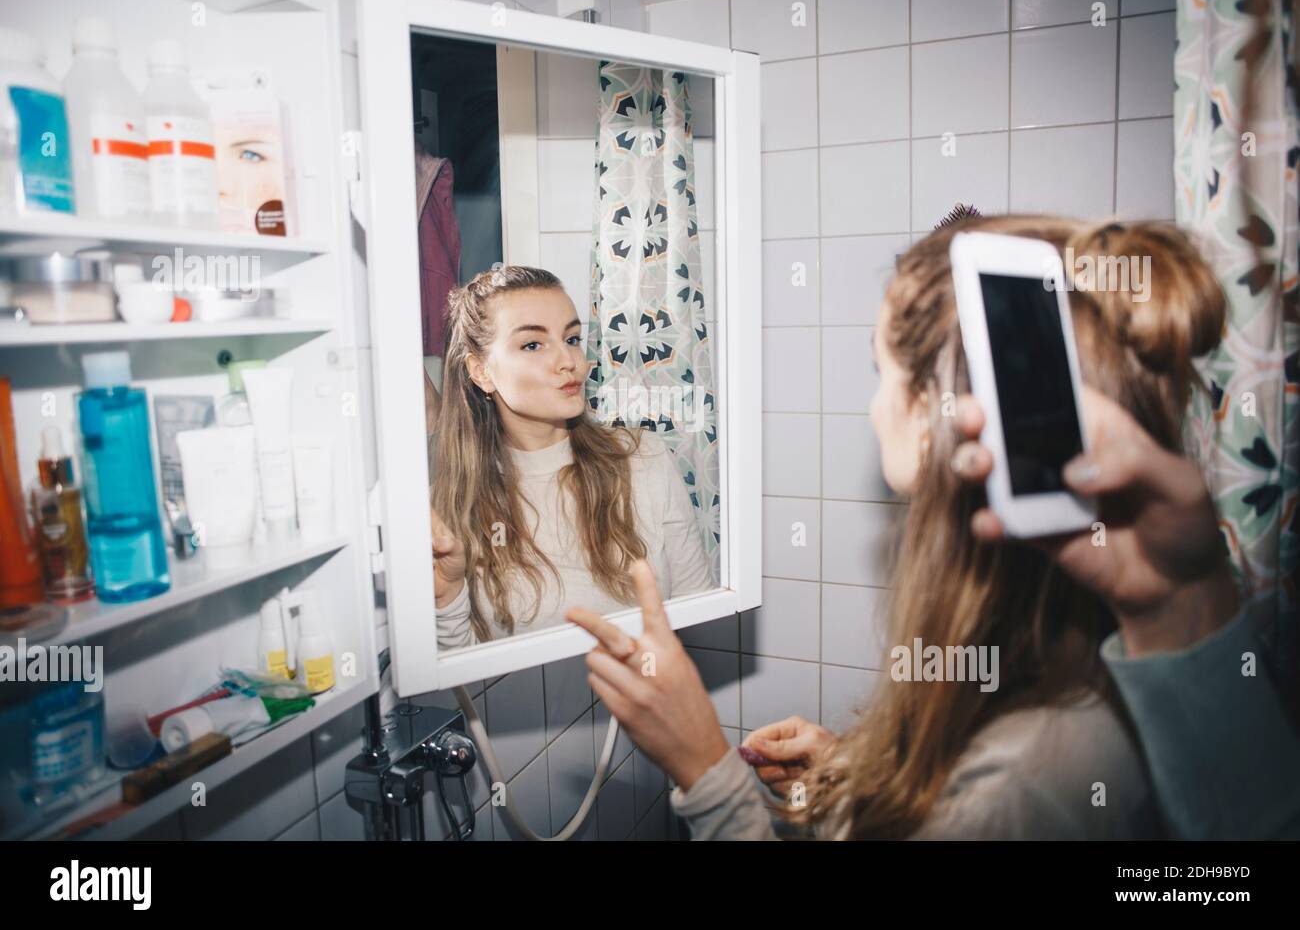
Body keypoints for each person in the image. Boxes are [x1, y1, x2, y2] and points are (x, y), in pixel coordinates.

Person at [568, 216, 1300, 839]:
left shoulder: (1023, 779)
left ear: (934, 414)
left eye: (879, 370)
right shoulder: (1081, 674)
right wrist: (864, 777)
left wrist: (704, 767)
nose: (872, 407)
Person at [428, 265, 714, 648]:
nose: (570, 361)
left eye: (573, 338)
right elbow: (466, 681)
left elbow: (698, 614)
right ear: (481, 372)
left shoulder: (643, 459)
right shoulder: (448, 507)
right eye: (533, 344)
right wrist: (447, 601)